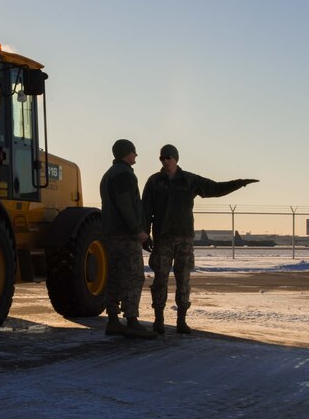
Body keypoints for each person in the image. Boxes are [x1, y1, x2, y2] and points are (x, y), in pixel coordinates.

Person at [142, 144, 258, 335]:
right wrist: (145, 234)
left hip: (185, 239)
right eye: (162, 158)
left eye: (168, 157)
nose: (165, 161)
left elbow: (215, 188)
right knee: (160, 280)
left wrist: (239, 183)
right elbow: (145, 210)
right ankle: (159, 319)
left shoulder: (189, 180)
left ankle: (181, 320)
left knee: (184, 280)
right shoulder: (154, 182)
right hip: (162, 239)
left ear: (176, 158)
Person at [99, 139, 158, 339]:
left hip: (111, 234)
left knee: (114, 276)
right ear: (127, 153)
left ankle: (113, 321)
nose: (136, 156)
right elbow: (126, 205)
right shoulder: (124, 174)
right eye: (134, 152)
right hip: (125, 235)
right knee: (134, 276)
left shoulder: (109, 174)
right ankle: (132, 321)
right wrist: (138, 231)